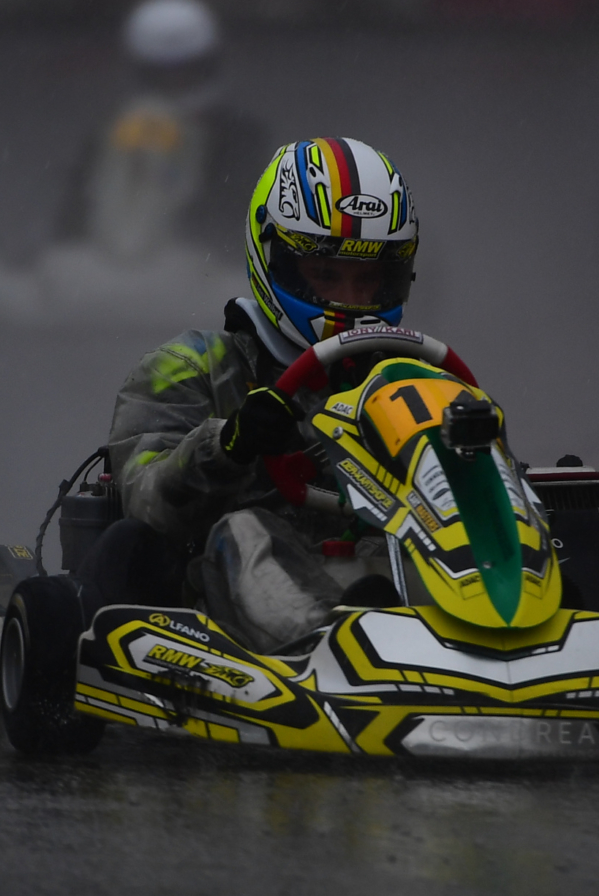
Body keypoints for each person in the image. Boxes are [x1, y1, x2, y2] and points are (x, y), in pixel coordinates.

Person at [82, 136, 418, 653]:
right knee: (243, 529)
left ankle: (512, 642)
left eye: (367, 279)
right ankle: (332, 646)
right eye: (327, 275)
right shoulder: (188, 366)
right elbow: (145, 500)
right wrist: (230, 445)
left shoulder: (409, 377)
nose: (349, 299)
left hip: (386, 582)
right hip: (224, 606)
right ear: (273, 256)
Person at [53, 0, 274, 257]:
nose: (176, 84)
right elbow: (77, 212)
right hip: (109, 261)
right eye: (163, 75)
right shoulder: (113, 132)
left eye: (187, 73)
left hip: (196, 262)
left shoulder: (236, 134)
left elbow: (236, 216)